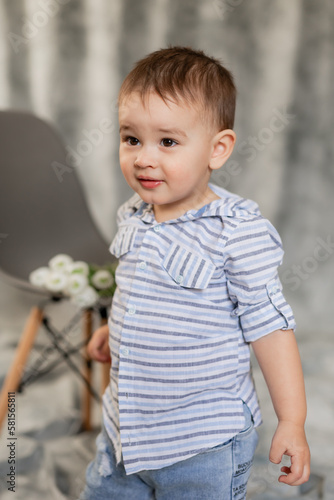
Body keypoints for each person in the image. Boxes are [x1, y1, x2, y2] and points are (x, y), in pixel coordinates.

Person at [79, 46, 310, 500]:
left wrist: (292, 420)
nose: (144, 158)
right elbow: (139, 287)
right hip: (125, 432)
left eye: (167, 142)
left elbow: (271, 331)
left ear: (217, 149)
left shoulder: (236, 234)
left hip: (202, 444)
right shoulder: (135, 212)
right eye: (131, 139)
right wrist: (118, 327)